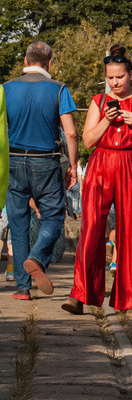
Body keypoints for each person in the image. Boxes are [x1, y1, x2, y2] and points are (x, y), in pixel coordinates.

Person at [63, 45, 132, 315]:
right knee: (91, 230)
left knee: (130, 232)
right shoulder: (98, 101)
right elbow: (88, 141)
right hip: (101, 165)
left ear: (130, 74)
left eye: (119, 77)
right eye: (110, 78)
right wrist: (106, 122)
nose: (115, 82)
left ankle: (129, 301)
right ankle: (80, 294)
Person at [3, 41, 77, 300]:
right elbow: (70, 132)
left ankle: (22, 288)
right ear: (50, 63)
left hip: (13, 161)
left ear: (25, 61)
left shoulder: (5, 89)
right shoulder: (59, 89)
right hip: (46, 161)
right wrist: (74, 166)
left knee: (18, 225)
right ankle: (37, 258)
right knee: (53, 217)